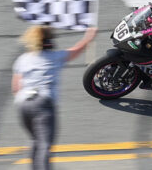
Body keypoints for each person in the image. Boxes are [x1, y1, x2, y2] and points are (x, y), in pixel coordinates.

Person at [12, 25, 97, 170]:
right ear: (50, 42)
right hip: (43, 103)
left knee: (35, 140)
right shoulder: (55, 56)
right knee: (44, 145)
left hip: (23, 104)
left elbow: (16, 87)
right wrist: (89, 37)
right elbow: (75, 51)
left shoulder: (23, 59)